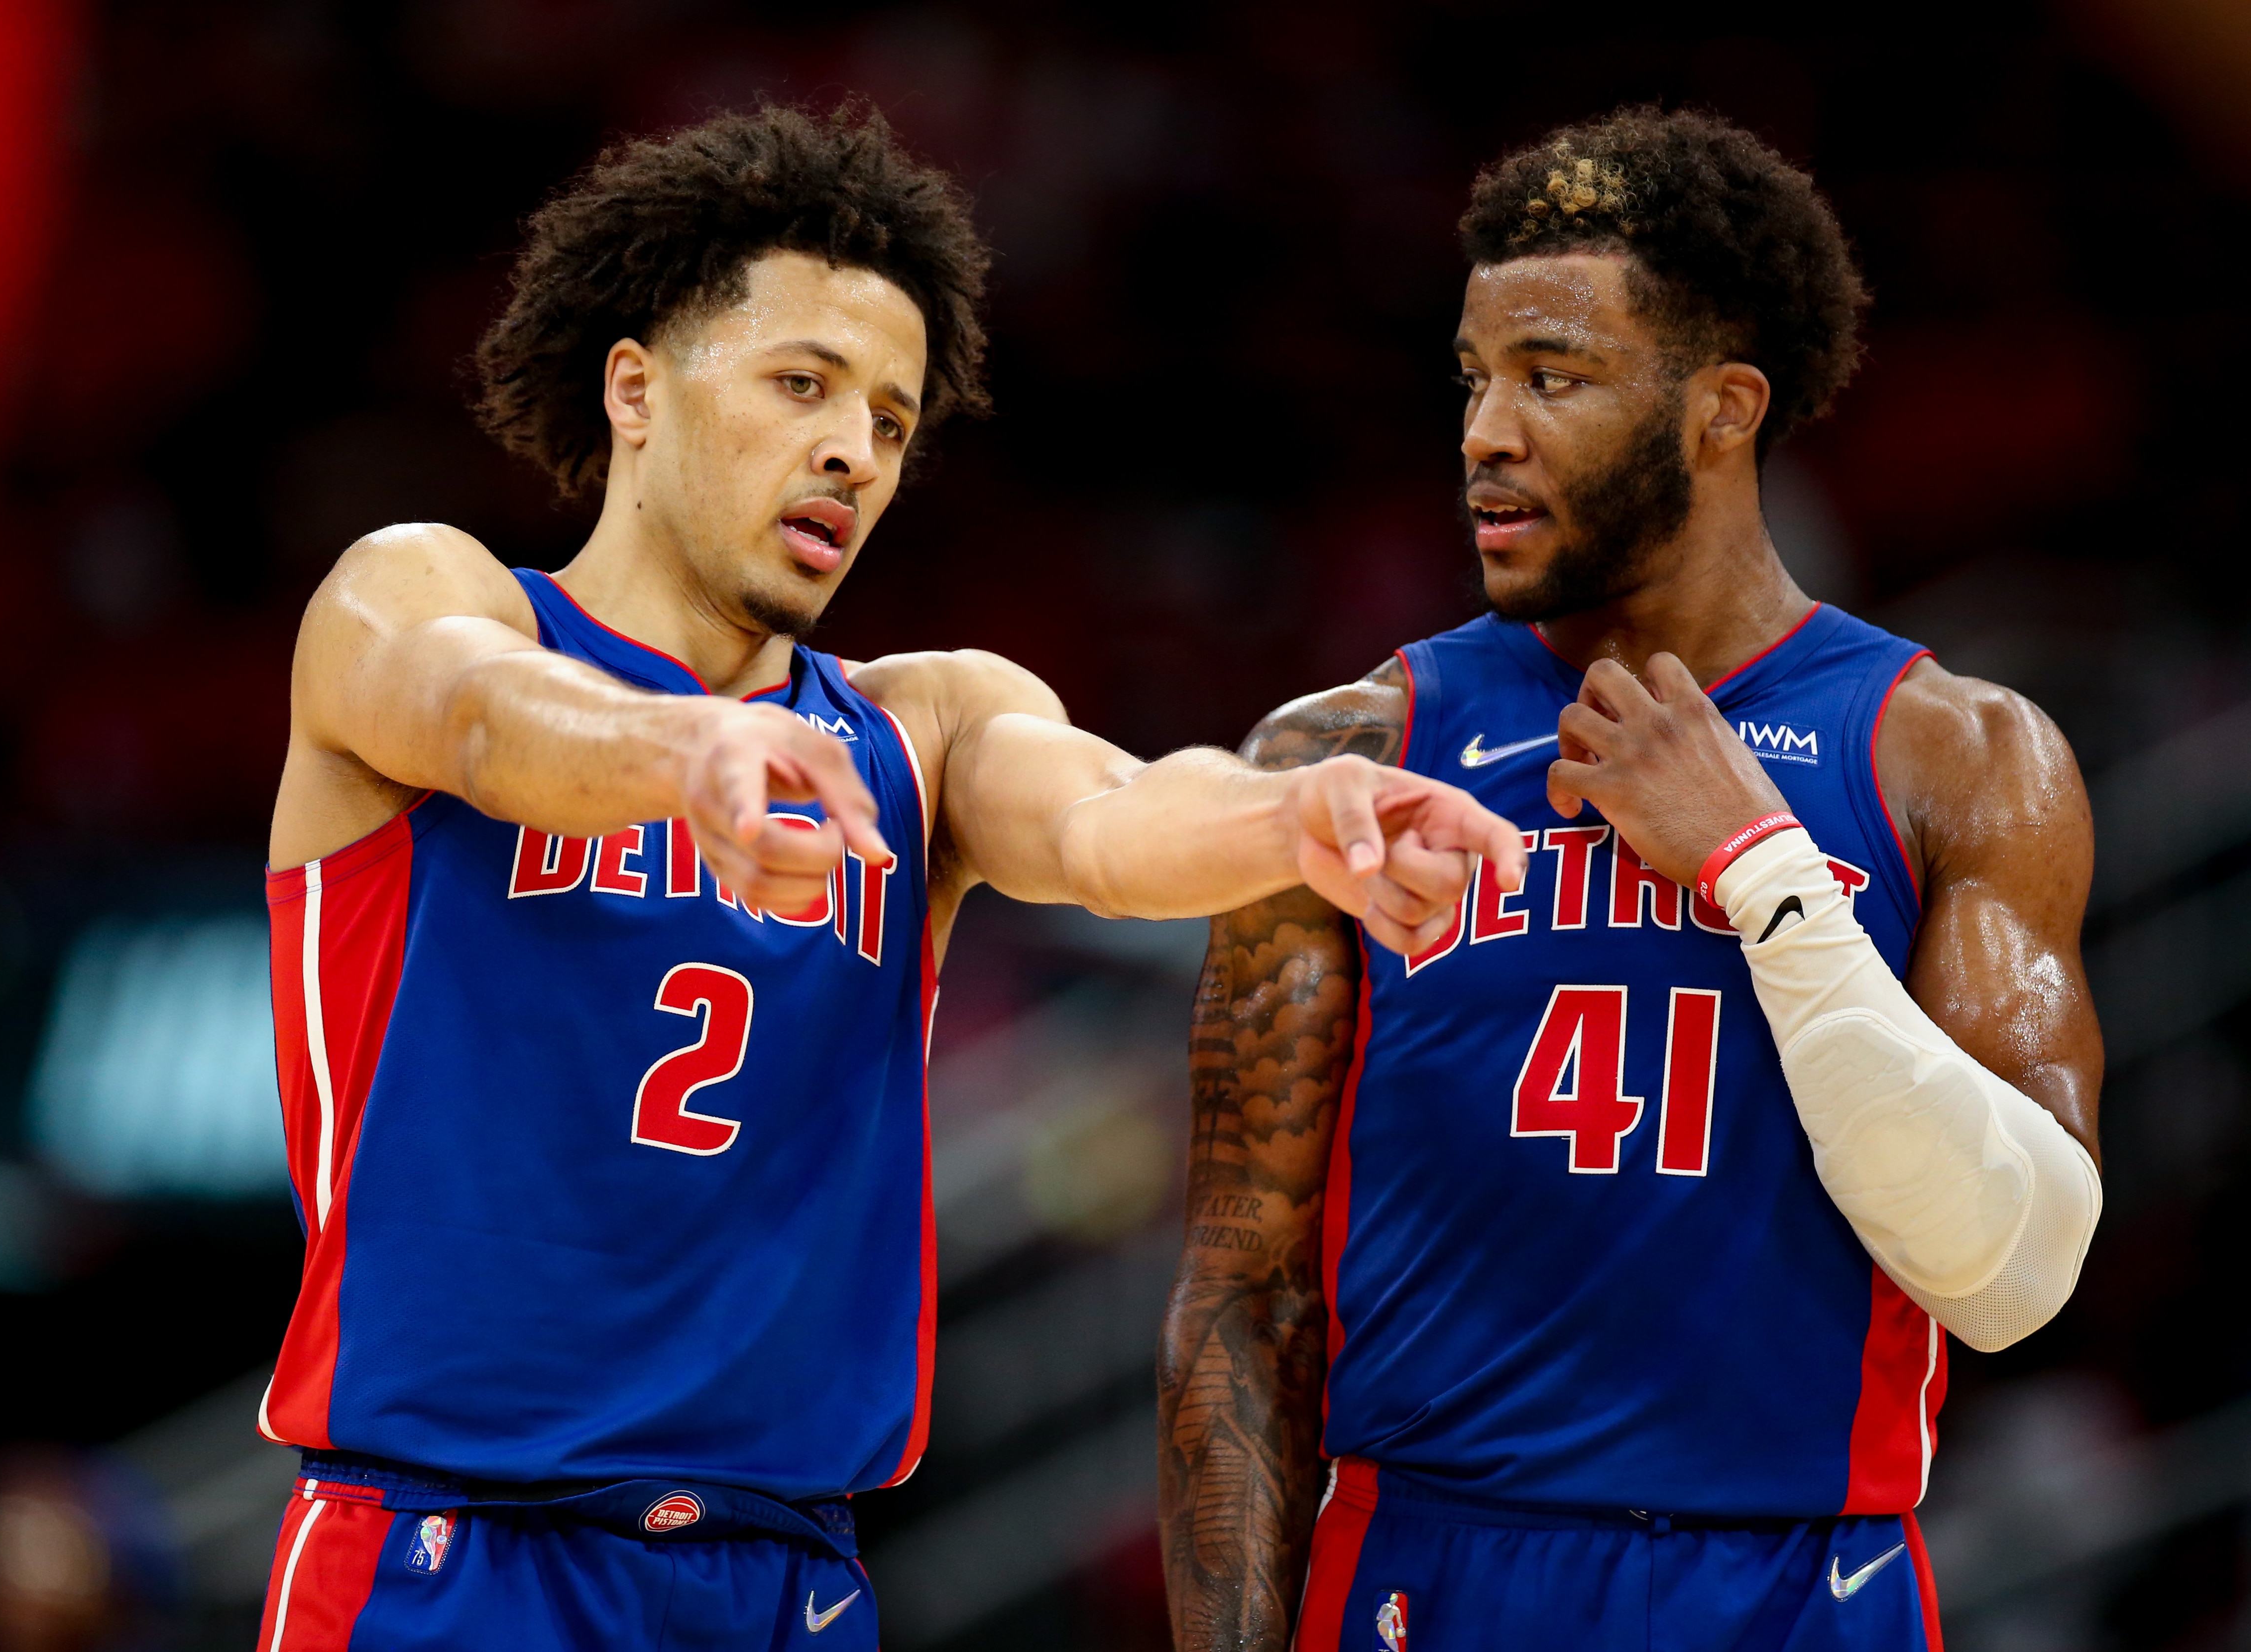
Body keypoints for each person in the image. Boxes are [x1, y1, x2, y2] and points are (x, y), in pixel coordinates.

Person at [250, 103, 1521, 1652]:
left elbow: (1109, 821)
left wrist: (1291, 815)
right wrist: (683, 756)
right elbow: (470, 709)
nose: (852, 450)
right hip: (454, 1556)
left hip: (791, 1577)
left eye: (894, 421)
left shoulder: (920, 724)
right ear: (637, 390)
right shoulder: (428, 595)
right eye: (803, 385)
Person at [1158, 107, 2103, 1652]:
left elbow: (2013, 1274)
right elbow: (1239, 1304)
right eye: (1474, 378)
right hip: (1433, 1573)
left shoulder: (1958, 756)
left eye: (1555, 378)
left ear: (1724, 408)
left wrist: (1763, 873)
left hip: (1797, 1582)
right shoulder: (1348, 751)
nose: (1484, 433)